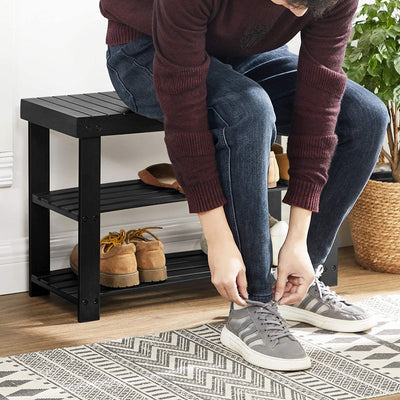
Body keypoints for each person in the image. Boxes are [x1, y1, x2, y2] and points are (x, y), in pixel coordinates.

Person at [100, 0, 389, 370]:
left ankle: (299, 280)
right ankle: (251, 303)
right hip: (145, 49)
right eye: (289, 3)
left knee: (365, 116)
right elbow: (186, 120)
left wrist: (298, 240)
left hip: (248, 54)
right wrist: (218, 242)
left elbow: (320, 100)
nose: (297, 16)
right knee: (249, 109)